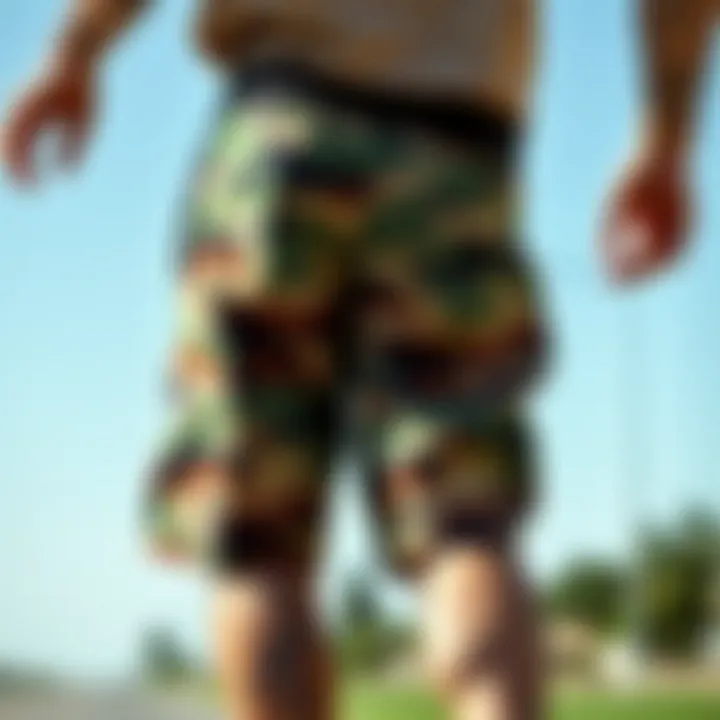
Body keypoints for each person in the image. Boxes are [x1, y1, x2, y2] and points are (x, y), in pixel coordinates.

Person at [1, 2, 716, 718]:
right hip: (453, 154)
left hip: (281, 134)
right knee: (465, 522)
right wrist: (666, 139)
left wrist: (75, 49)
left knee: (258, 534)